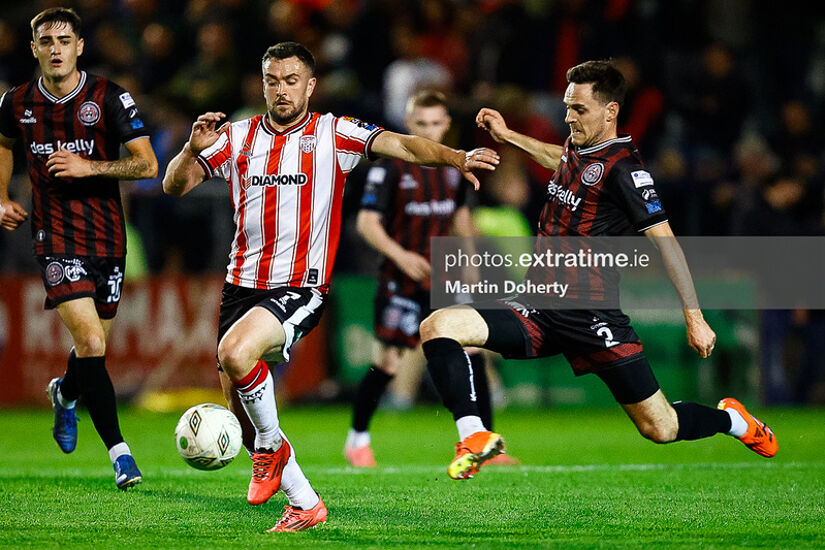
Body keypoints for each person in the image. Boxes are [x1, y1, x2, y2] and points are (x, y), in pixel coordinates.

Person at [162, 42, 499, 531]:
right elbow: (175, 186)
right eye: (272, 80)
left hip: (300, 286)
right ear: (262, 84)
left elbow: (403, 145)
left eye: (292, 80)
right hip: (240, 289)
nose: (282, 89)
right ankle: (303, 501)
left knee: (236, 355)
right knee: (243, 419)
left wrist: (455, 156)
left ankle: (271, 454)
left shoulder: (333, 133)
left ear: (310, 85)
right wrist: (190, 149)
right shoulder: (235, 136)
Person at [418, 60, 778, 481]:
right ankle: (474, 435)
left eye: (580, 109)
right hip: (538, 307)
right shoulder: (580, 149)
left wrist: (694, 317)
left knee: (660, 428)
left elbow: (667, 243)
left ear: (611, 111)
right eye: (568, 107)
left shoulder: (626, 169)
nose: (569, 116)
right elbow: (562, 161)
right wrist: (510, 136)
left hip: (592, 315)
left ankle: (733, 421)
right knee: (439, 324)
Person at [0, 8, 158, 489]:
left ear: (79, 46)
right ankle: (121, 455)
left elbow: (147, 165)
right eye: (46, 41)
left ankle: (65, 395)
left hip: (108, 238)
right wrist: (2, 196)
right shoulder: (17, 101)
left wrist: (92, 168)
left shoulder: (109, 97)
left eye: (64, 40)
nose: (55, 49)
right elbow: (4, 143)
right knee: (90, 343)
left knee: (93, 350)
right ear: (34, 48)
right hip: (55, 238)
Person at [343, 89, 518, 468]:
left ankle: (481, 443)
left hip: (443, 277)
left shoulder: (453, 171)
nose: (428, 130)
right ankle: (357, 439)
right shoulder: (387, 167)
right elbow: (366, 223)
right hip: (399, 278)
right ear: (409, 125)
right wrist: (401, 256)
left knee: (471, 351)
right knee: (388, 363)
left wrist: (470, 265)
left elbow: (460, 219)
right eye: (421, 124)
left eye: (436, 123)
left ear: (447, 125)